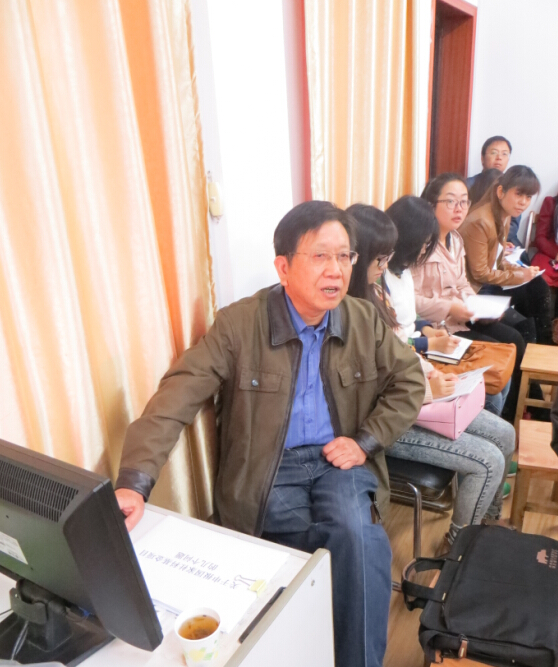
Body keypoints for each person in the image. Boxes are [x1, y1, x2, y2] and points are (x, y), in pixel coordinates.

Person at [114, 200, 426, 667]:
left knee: (359, 540)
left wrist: (365, 440)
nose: (336, 270)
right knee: (307, 553)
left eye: (345, 256)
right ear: (283, 267)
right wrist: (134, 481)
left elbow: (410, 382)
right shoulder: (239, 324)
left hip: (337, 459)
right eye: (320, 256)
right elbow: (176, 396)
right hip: (269, 468)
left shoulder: (362, 320)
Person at [347, 202, 515, 549]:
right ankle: (458, 547)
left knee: (504, 432)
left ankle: (487, 522)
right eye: (380, 259)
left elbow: (399, 352)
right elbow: (368, 390)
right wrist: (428, 390)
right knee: (487, 461)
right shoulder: (351, 311)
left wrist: (429, 373)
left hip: (411, 398)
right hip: (386, 420)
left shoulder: (375, 293)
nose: (385, 267)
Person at [417, 172, 533, 420]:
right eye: (450, 201)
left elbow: (462, 282)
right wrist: (450, 307)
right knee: (498, 363)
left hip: (460, 319)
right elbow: (411, 300)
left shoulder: (455, 239)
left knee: (513, 340)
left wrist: (478, 305)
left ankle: (510, 417)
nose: (459, 209)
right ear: (430, 204)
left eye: (464, 201)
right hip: (436, 329)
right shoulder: (420, 247)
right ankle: (495, 423)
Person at [460, 165, 553, 345]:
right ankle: (540, 345)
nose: (523, 202)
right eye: (519, 194)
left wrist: (522, 272)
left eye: (528, 197)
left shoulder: (504, 214)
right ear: (500, 191)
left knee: (537, 287)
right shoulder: (480, 221)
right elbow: (480, 273)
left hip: (488, 284)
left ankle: (543, 347)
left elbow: (498, 260)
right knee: (527, 316)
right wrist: (519, 276)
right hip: (476, 290)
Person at [465, 135, 523, 247]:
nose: (499, 157)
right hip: (474, 238)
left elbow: (514, 224)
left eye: (504, 154)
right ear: (482, 158)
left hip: (506, 239)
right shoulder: (468, 184)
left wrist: (499, 241)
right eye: (494, 153)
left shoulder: (513, 187)